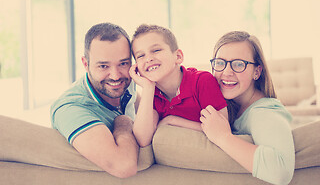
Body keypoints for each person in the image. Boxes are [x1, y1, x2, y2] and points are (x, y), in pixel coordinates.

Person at [200, 31, 295, 185]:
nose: (227, 72)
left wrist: (222, 137)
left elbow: (281, 172)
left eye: (238, 64)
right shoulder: (231, 107)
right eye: (220, 62)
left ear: (256, 72)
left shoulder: (264, 112)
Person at [50, 22, 140, 178]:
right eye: (104, 66)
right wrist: (124, 123)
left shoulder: (128, 82)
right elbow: (124, 166)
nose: (116, 75)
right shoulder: (70, 109)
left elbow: (140, 103)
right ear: (86, 64)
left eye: (123, 63)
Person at [129, 24, 228, 147]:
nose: (148, 58)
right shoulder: (151, 95)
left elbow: (223, 128)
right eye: (140, 56)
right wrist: (148, 88)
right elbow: (142, 139)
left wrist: (172, 120)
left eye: (156, 50)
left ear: (178, 56)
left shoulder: (202, 81)